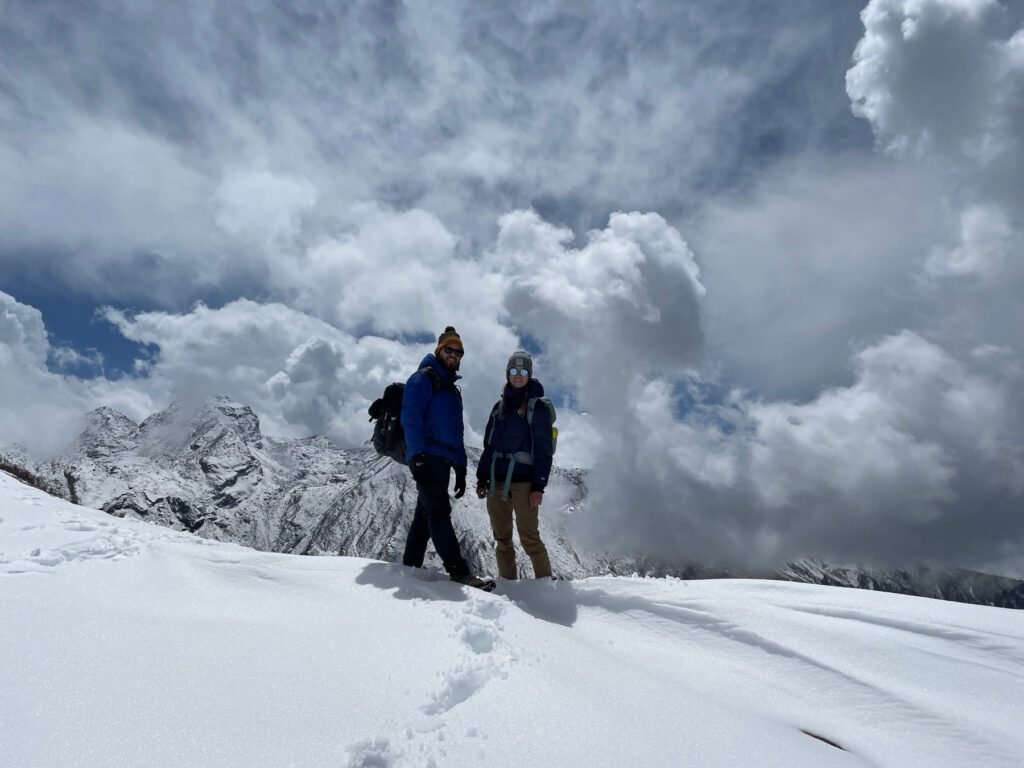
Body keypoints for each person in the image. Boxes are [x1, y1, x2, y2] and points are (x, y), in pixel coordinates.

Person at [401, 326, 492, 589]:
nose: (454, 355)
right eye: (449, 350)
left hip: (443, 462)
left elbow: (456, 432)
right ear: (439, 351)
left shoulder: (451, 390)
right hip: (427, 458)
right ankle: (459, 572)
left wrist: (461, 467)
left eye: (459, 352)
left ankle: (409, 570)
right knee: (439, 513)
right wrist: (416, 456)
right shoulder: (422, 379)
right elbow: (411, 418)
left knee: (423, 520)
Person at [475, 350, 553, 580]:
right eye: (513, 371)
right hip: (496, 481)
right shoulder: (498, 407)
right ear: (507, 373)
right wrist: (481, 479)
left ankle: (546, 588)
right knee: (502, 540)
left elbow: (543, 449)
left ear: (529, 374)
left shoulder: (537, 408)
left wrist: (539, 486)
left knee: (529, 537)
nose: (517, 375)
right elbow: (488, 446)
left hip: (525, 484)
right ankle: (508, 586)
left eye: (523, 371)